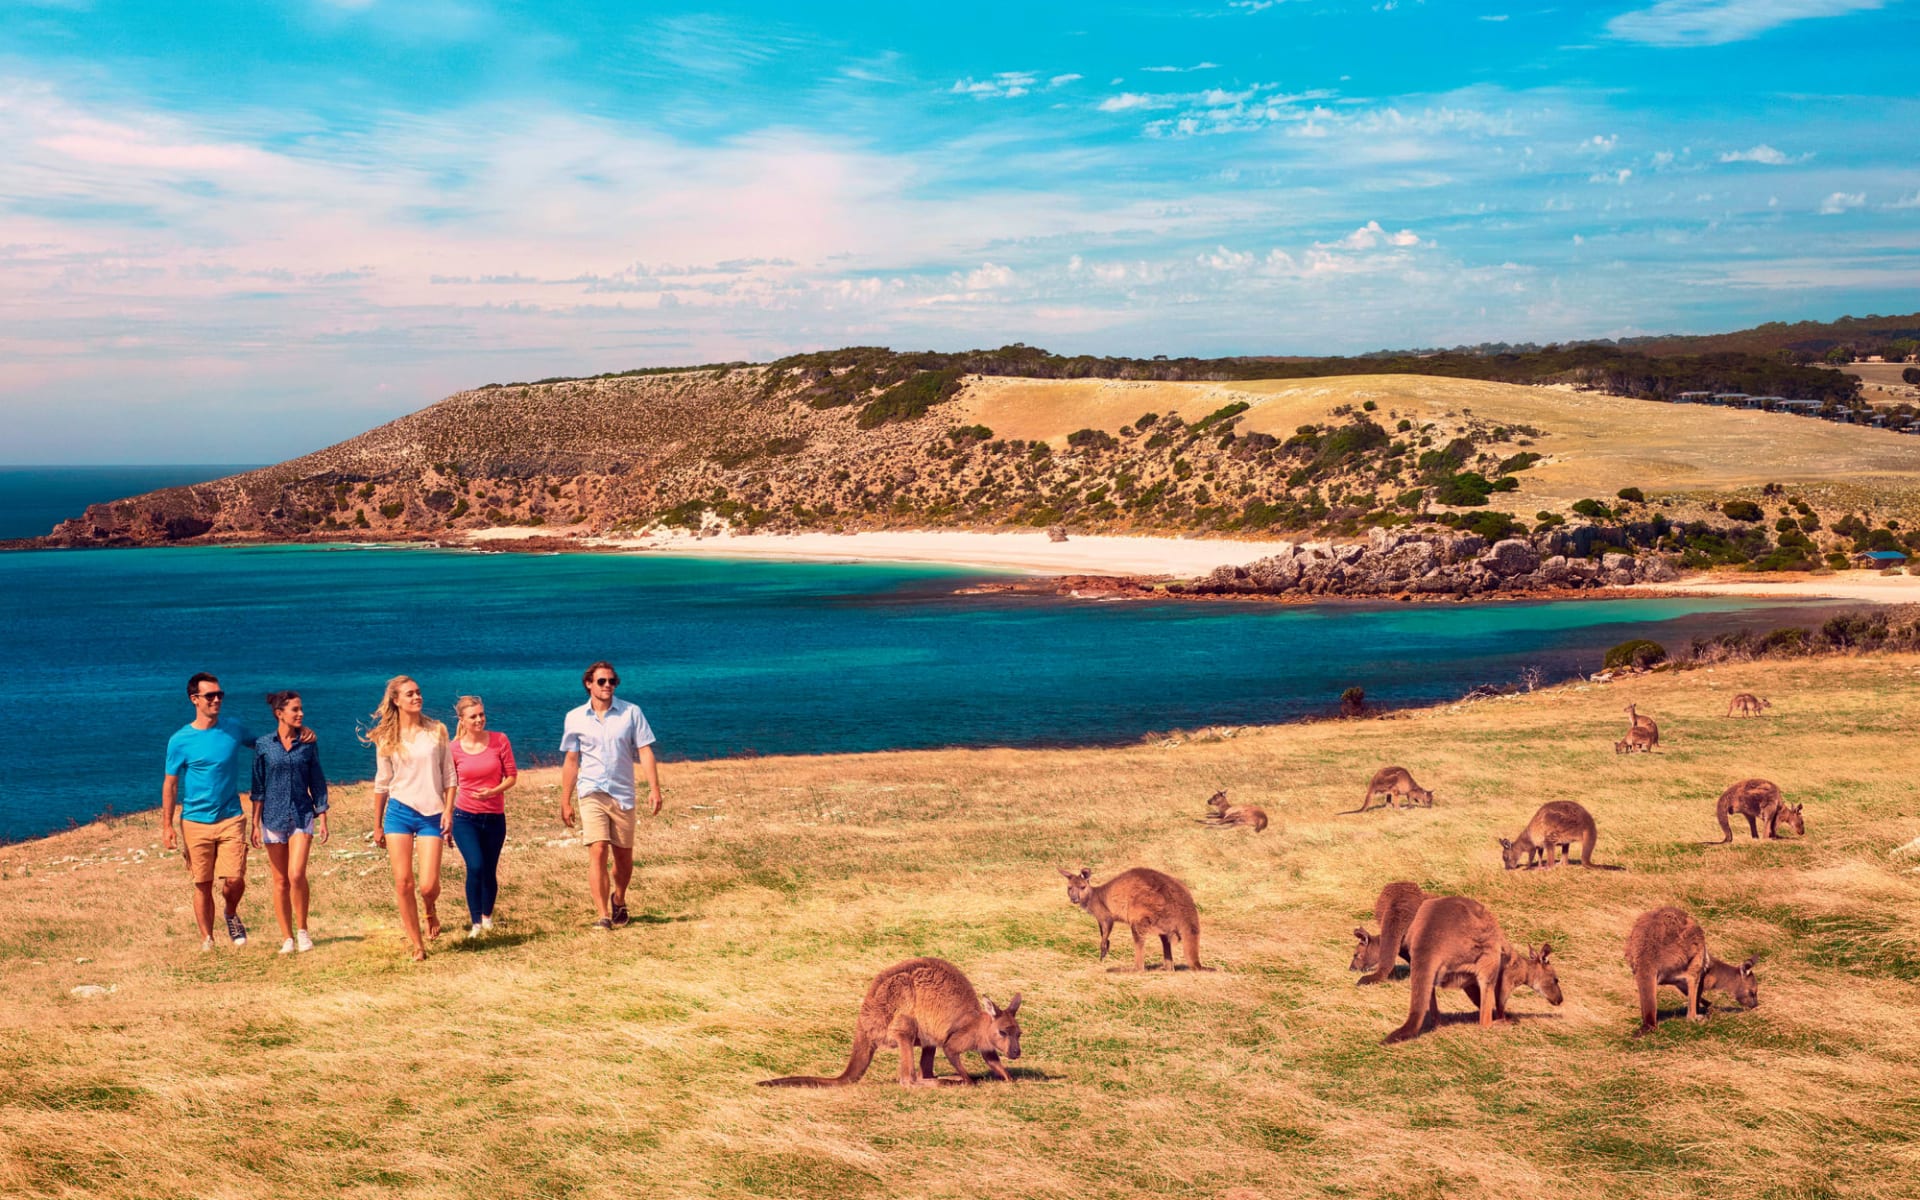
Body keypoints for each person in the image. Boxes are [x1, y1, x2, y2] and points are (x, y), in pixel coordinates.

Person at [559, 661, 662, 931]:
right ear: (588, 684)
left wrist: (654, 789)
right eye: (602, 681)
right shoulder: (575, 718)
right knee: (598, 848)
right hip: (591, 791)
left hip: (623, 793)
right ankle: (603, 915)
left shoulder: (631, 713)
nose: (607, 686)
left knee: (623, 857)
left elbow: (645, 751)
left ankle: (619, 898)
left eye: (612, 681)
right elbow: (572, 759)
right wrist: (565, 800)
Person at [163, 672, 263, 950]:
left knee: (235, 879)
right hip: (195, 821)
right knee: (202, 883)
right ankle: (208, 939)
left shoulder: (234, 728)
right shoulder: (179, 740)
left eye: (220, 694)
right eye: (210, 695)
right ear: (194, 699)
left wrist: (295, 732)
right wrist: (167, 826)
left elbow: (264, 745)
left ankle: (230, 912)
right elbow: (170, 785)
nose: (217, 699)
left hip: (231, 816)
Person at [364, 675, 455, 961]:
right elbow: (382, 783)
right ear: (396, 700)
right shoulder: (385, 737)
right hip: (399, 813)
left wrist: (449, 811)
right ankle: (417, 944)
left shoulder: (437, 730)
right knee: (403, 882)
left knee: (428, 885)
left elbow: (450, 775)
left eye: (418, 692)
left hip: (432, 813)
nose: (417, 697)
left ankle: (430, 908)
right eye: (410, 694)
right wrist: (377, 824)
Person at [249, 690, 329, 954]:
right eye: (295, 709)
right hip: (272, 816)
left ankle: (303, 930)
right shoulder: (263, 745)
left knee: (296, 874)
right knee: (281, 880)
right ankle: (287, 937)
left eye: (301, 709)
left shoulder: (308, 743)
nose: (301, 713)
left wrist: (323, 814)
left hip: (302, 814)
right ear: (279, 713)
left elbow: (317, 779)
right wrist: (254, 823)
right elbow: (258, 786)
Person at [448, 695, 517, 939]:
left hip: (495, 816)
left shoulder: (500, 740)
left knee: (489, 869)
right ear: (462, 720)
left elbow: (511, 776)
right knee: (475, 865)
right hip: (464, 817)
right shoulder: (453, 748)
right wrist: (445, 817)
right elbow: (448, 784)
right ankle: (475, 922)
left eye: (481, 715)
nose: (479, 720)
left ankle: (487, 918)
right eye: (473, 716)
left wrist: (493, 791)